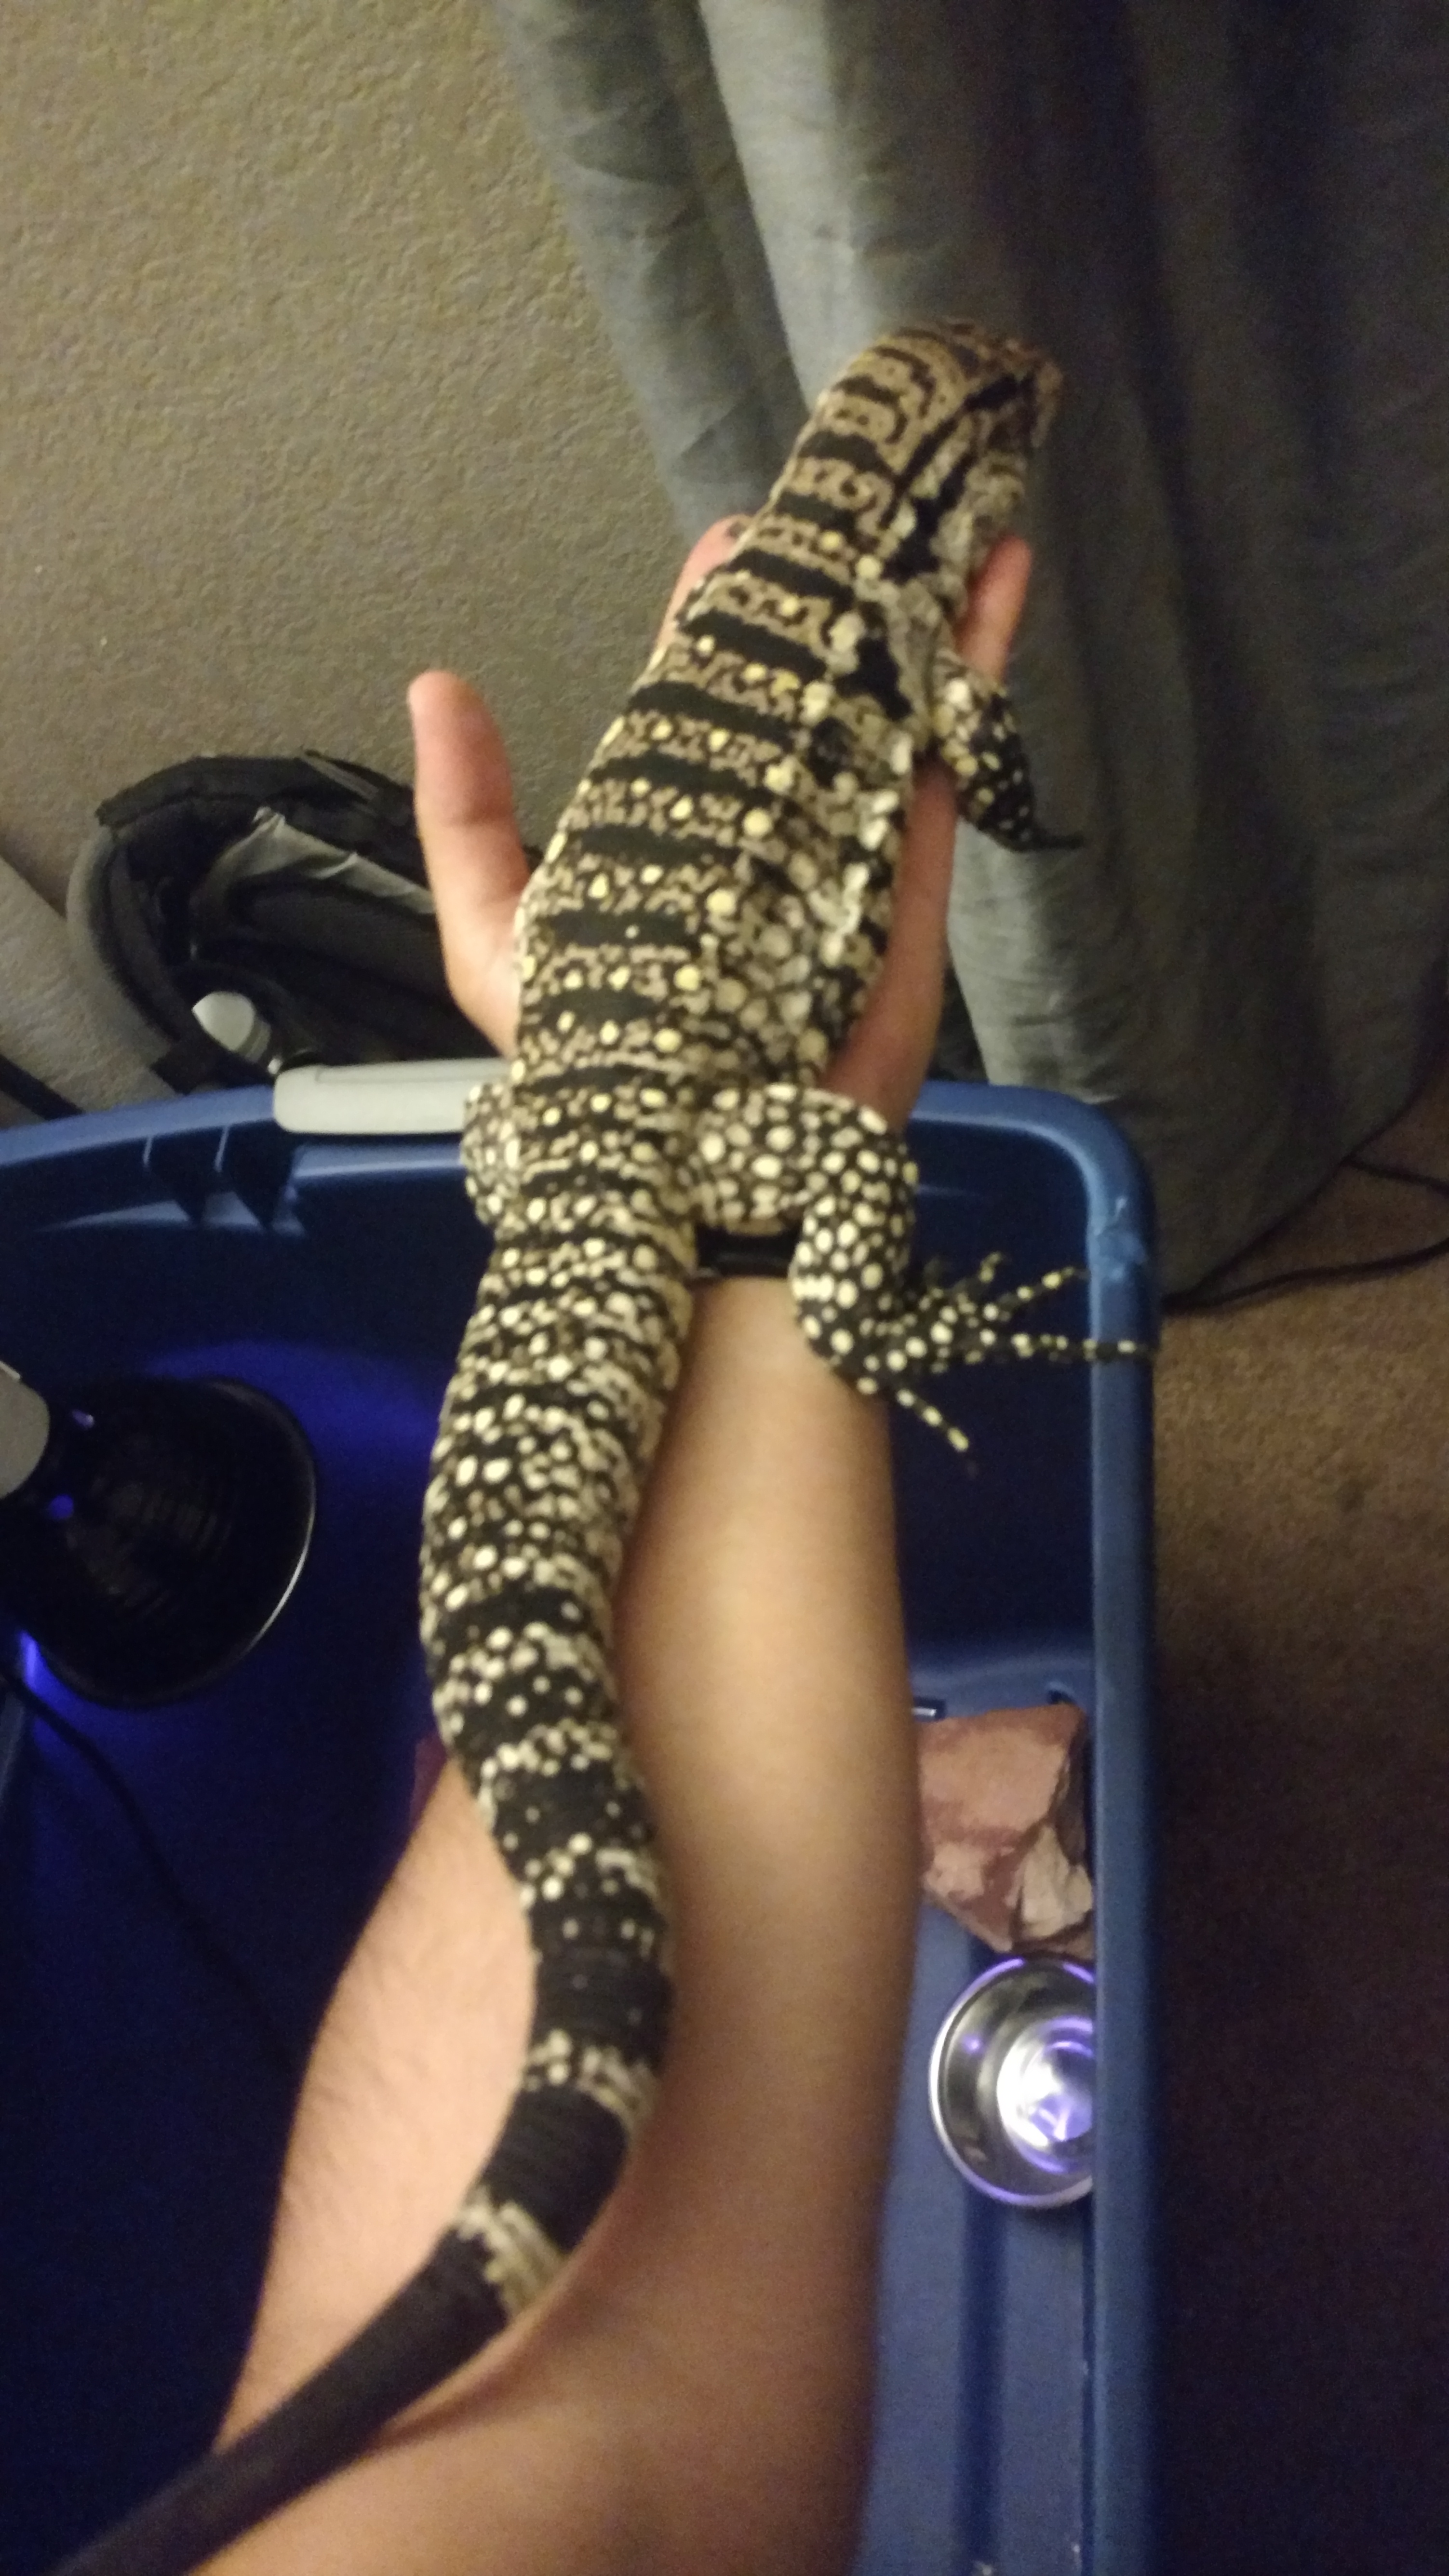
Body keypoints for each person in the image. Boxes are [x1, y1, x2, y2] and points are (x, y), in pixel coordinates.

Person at [208, 523, 1033, 2576]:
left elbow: (615, 2446)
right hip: (614, 1150)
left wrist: (617, 1091)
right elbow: (619, 2469)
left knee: (524, 1638)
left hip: (600, 1140)